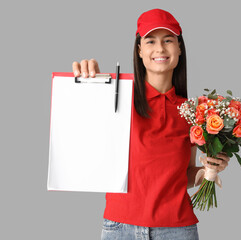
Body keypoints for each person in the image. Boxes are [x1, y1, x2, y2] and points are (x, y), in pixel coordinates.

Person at [72, 9, 230, 240]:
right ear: (139, 50)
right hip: (119, 227)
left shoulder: (192, 112)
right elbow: (81, 127)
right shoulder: (116, 97)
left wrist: (209, 171)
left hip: (177, 229)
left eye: (168, 40)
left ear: (179, 49)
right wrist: (88, 81)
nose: (160, 48)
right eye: (150, 41)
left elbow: (183, 175)